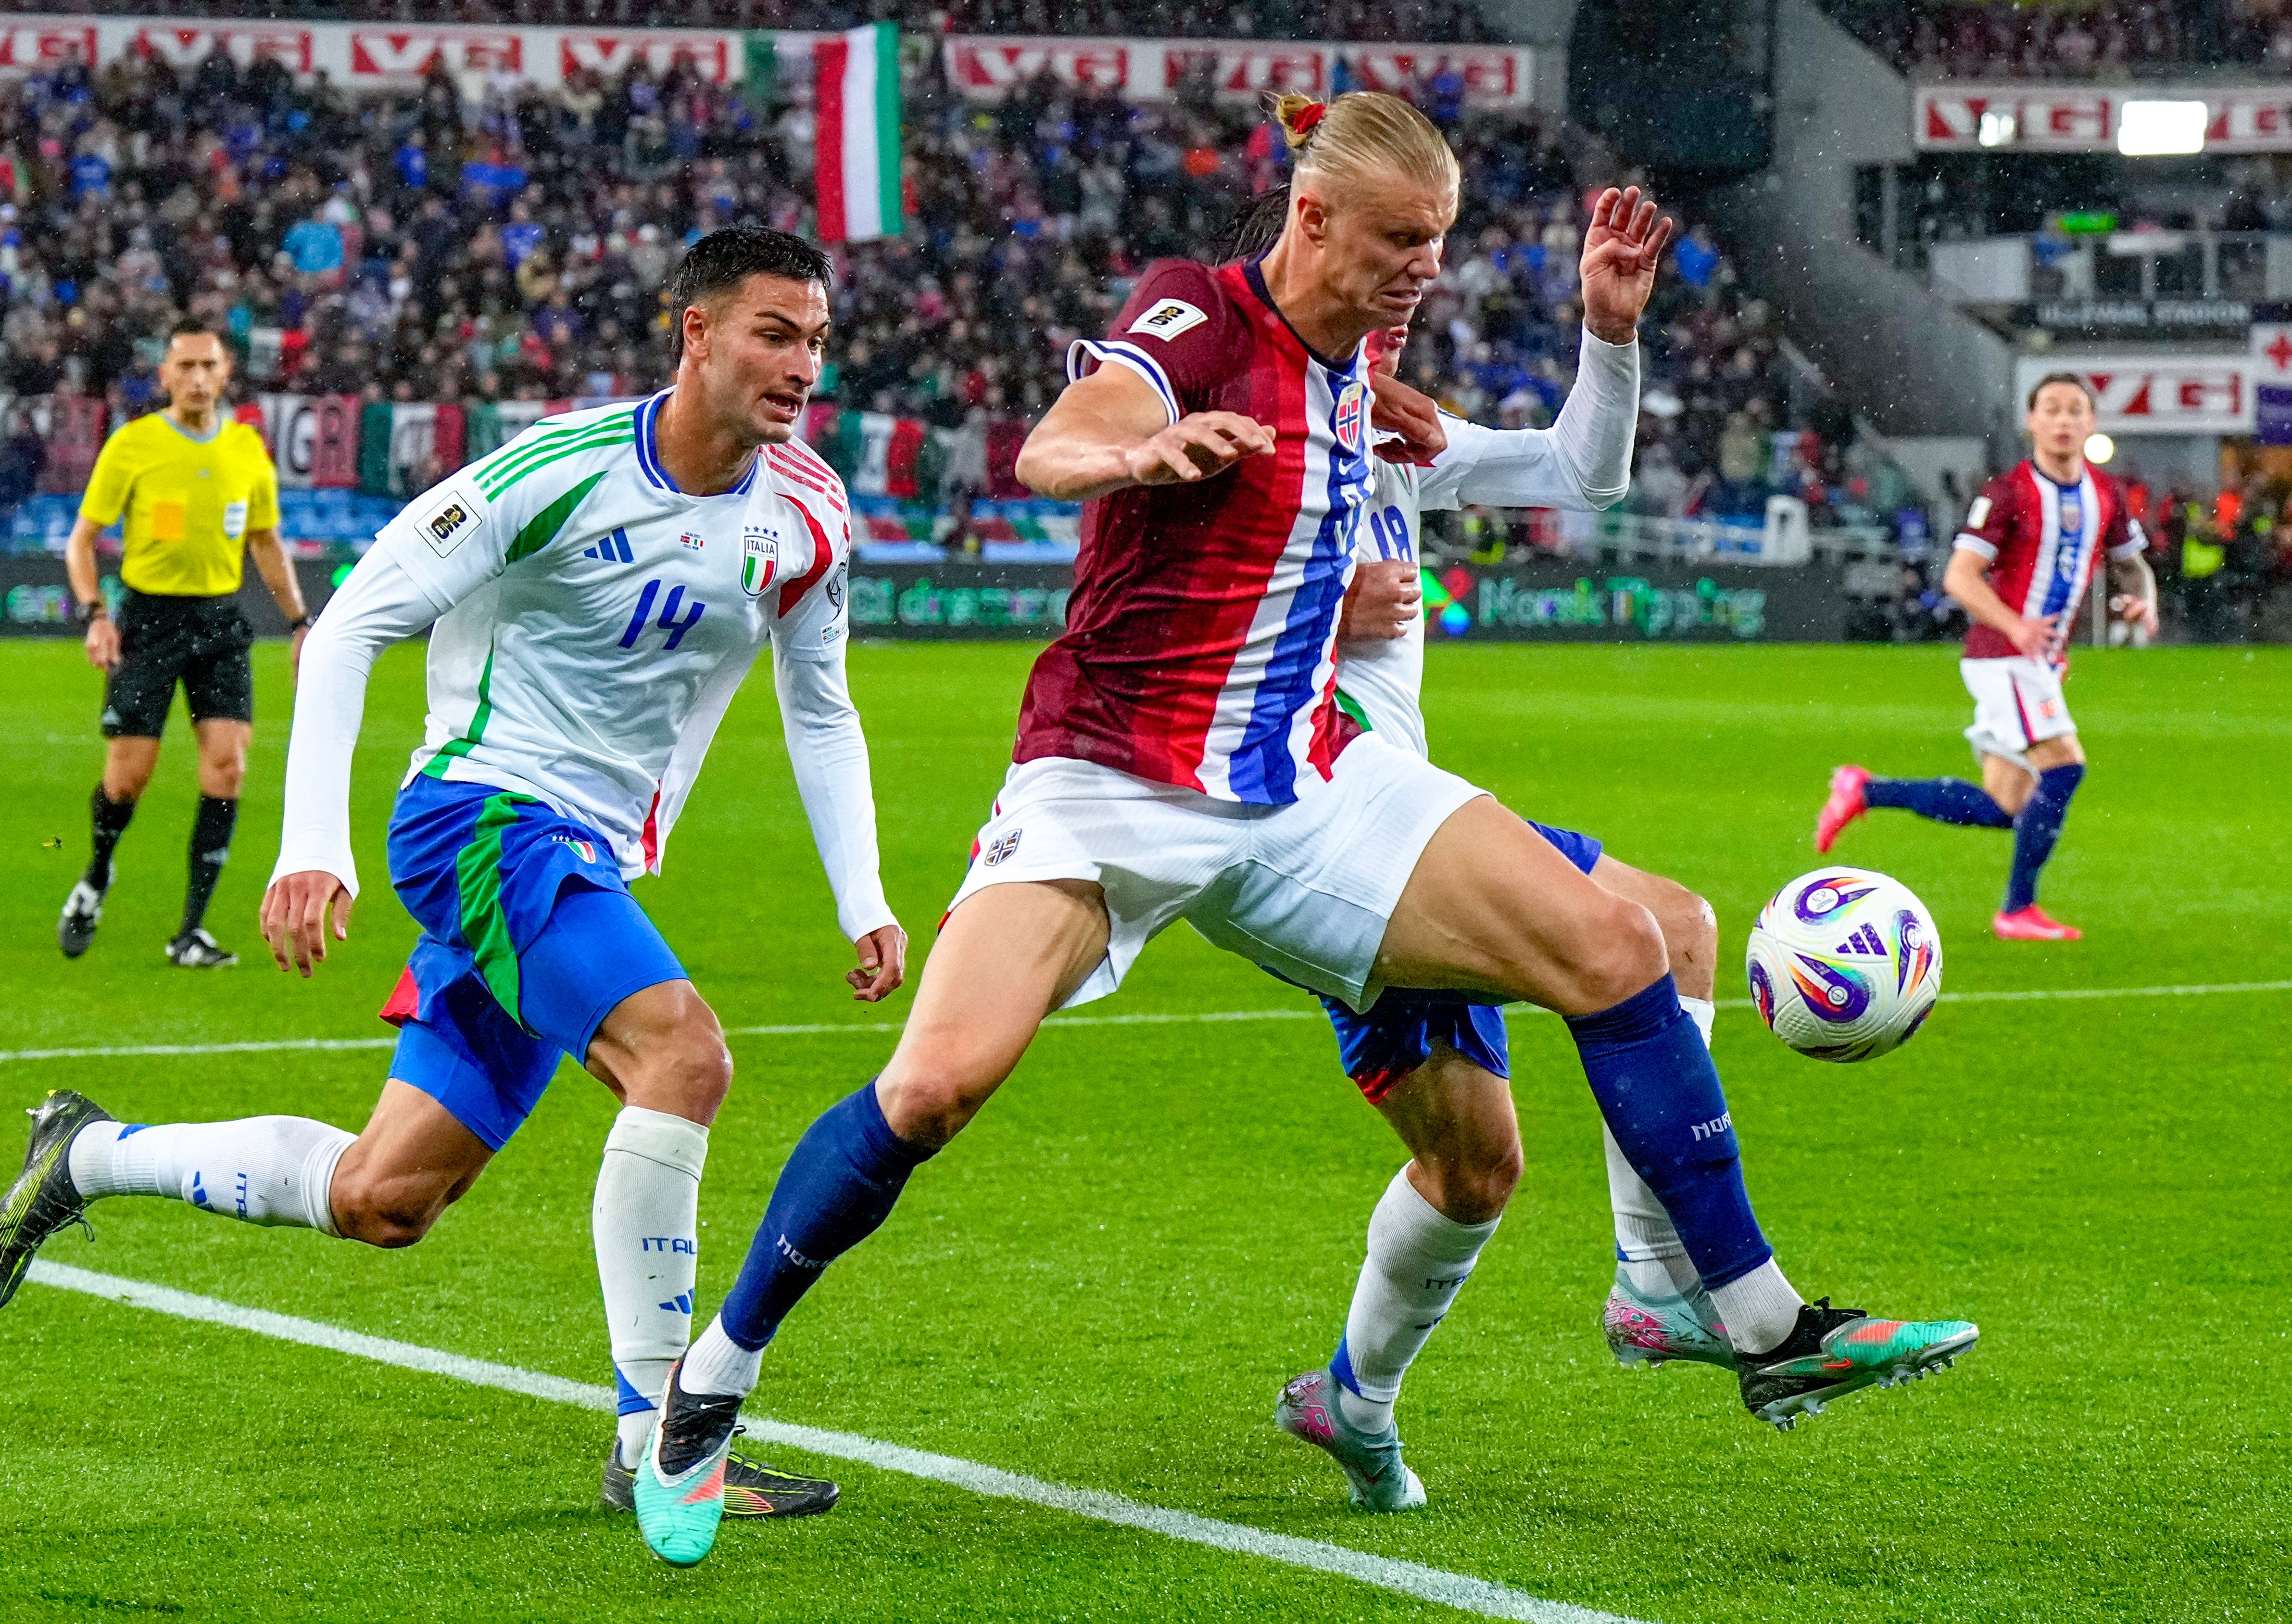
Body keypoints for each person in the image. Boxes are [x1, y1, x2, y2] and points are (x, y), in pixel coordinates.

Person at [635, 95, 1976, 1568]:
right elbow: (1057, 440)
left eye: (1439, 245)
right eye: (1401, 242)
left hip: (1305, 780)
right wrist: (1130, 456)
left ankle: (1751, 1318)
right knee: (934, 1089)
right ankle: (710, 1385)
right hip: (1105, 788)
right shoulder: (1197, 315)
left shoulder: (1370, 390)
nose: (1423, 270)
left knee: (1620, 939)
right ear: (1313, 220)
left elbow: (1558, 472)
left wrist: (1599, 333)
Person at [0, 227, 901, 1525]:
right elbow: (350, 620)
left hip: (582, 860)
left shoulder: (806, 509)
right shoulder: (553, 471)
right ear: (693, 333)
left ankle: (88, 1155)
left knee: (382, 1197)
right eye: (771, 332)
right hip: (482, 819)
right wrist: (313, 844)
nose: (803, 363)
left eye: (814, 337)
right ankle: (659, 1438)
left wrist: (861, 895)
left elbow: (821, 704)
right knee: (683, 1056)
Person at [1194, 194, 1736, 1511]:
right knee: (1665, 929)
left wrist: (1608, 335)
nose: (1387, 336)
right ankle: (1657, 1280)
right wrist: (1326, 615)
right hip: (1314, 820)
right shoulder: (1224, 443)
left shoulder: (1394, 443)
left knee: (1473, 1165)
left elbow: (1578, 472)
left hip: (1409, 827)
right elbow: (1162, 632)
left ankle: (1351, 1400)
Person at [1816, 372, 2159, 941]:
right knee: (2065, 766)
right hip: (2003, 656)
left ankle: (1864, 790)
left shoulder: (2105, 495)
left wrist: (2141, 602)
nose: (2064, 420)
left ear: (2091, 423)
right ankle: (2016, 910)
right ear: (2031, 422)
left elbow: (2131, 565)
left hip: (2039, 664)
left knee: (2004, 806)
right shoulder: (2006, 493)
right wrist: (2015, 625)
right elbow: (1958, 576)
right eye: (2051, 408)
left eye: (2076, 409)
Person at [57, 320, 309, 969]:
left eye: (209, 366)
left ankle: (190, 932)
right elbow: (82, 541)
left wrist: (301, 623)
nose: (198, 378)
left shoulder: (247, 451)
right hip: (147, 623)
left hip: (219, 622)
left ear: (226, 375)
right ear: (165, 376)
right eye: (186, 366)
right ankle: (96, 875)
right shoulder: (135, 445)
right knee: (127, 778)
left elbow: (264, 543)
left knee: (228, 765)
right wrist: (96, 615)